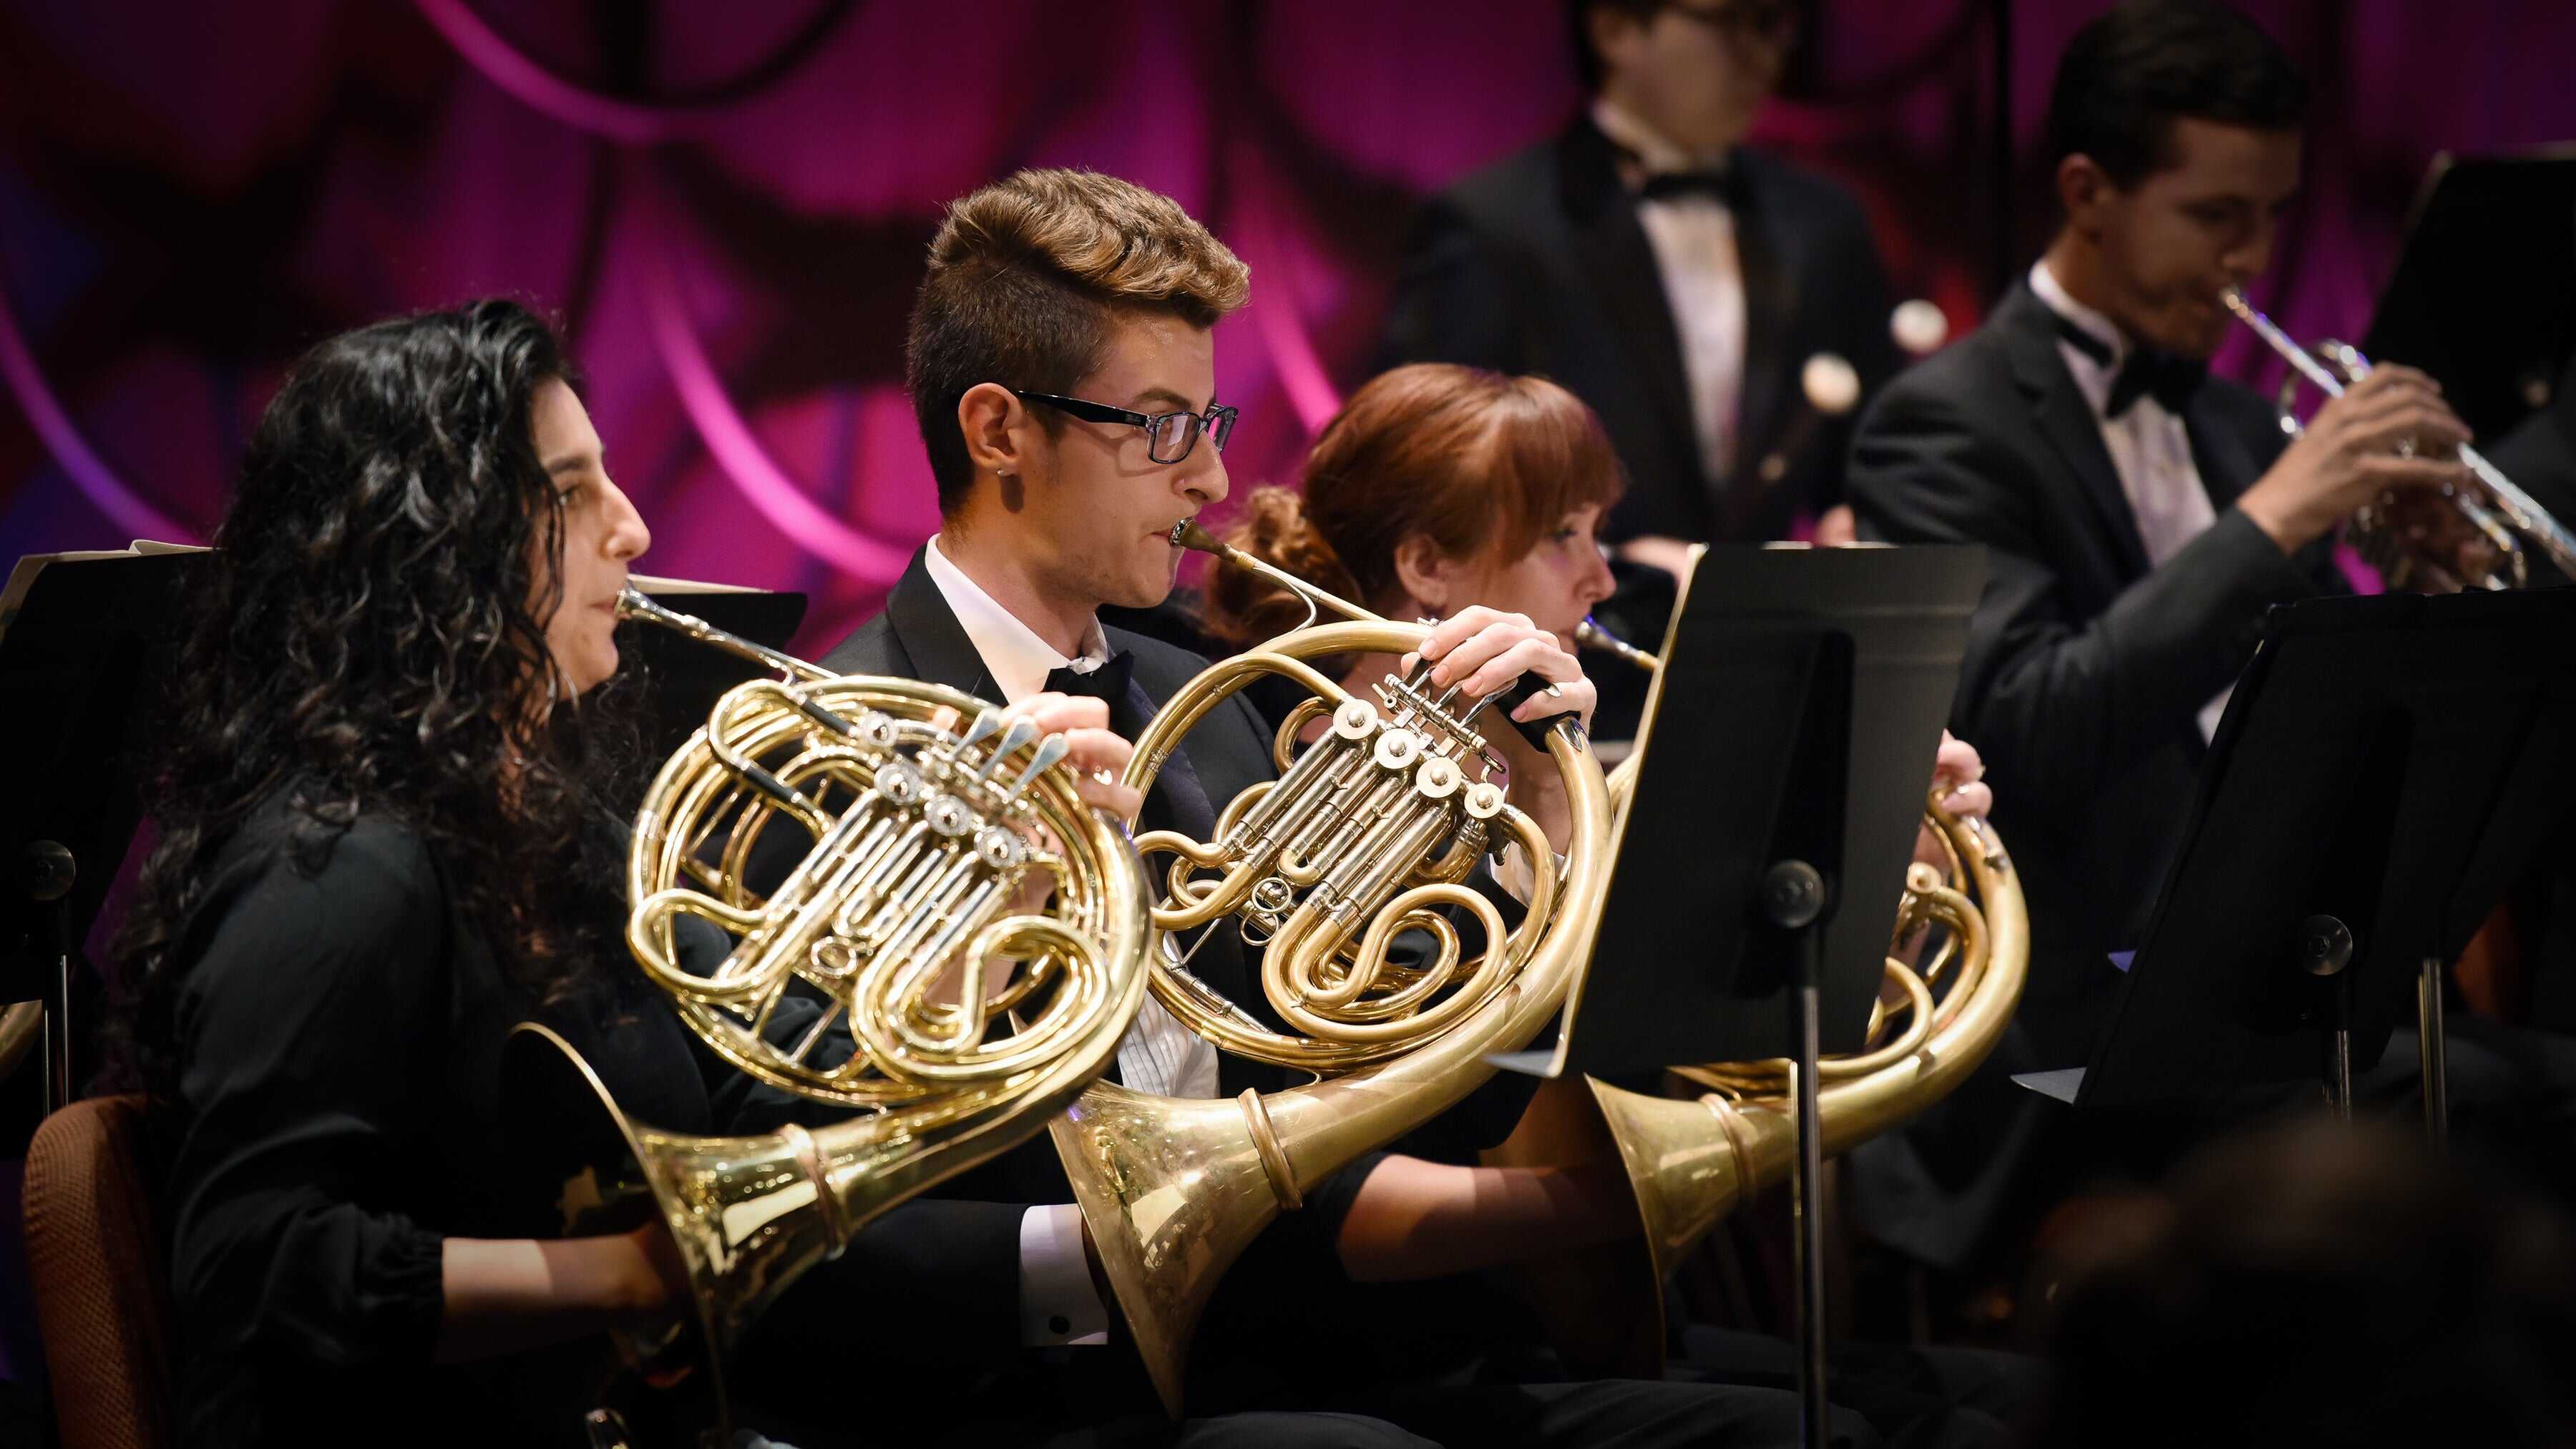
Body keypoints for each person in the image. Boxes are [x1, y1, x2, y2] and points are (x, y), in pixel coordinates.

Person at [743, 165, 1883, 1448]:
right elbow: (809, 1178)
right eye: (1162, 426)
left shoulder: (1203, 695)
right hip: (1023, 1401)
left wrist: (1539, 824)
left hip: (1301, 1353)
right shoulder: (836, 737)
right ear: (1000, 430)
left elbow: (1371, 1068)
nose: (1212, 476)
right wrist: (982, 930)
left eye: (1208, 418)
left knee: (1812, 1426)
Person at [118, 301, 1141, 1447]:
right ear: (433, 542)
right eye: (571, 492)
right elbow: (254, 1265)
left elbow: (780, 1107)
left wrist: (995, 916)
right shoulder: (337, 868)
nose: (635, 529)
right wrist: (641, 1271)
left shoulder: (556, 830)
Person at [1840, 0, 2576, 1285]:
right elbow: (2030, 731)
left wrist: (2427, 595)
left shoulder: (2238, 419)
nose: (2249, 262)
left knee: (2530, 1079)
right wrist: (2278, 516)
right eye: (2214, 216)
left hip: (2261, 980)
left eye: (2275, 218)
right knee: (2480, 1121)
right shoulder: (1941, 425)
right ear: (2088, 192)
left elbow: (2305, 738)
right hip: (2069, 1022)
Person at [1205, 361, 2029, 1448]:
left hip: (1561, 1326)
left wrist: (1880, 853)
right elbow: (1335, 1201)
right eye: (1564, 536)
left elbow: (1755, 1042)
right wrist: (1632, 1194)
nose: (1602, 576)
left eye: (1600, 532)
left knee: (2018, 1401)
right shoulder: (1295, 804)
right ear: (1427, 564)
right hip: (1392, 1354)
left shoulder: (1587, 781)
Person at [1377, 0, 1901, 587]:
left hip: (1777, 637)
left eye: (1776, 23)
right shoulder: (1490, 225)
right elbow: (1422, 477)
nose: (1767, 52)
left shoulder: (1826, 224)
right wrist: (1610, 562)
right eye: (1733, 20)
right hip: (1571, 643)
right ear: (1616, 28)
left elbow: (1872, 458)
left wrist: (1860, 519)